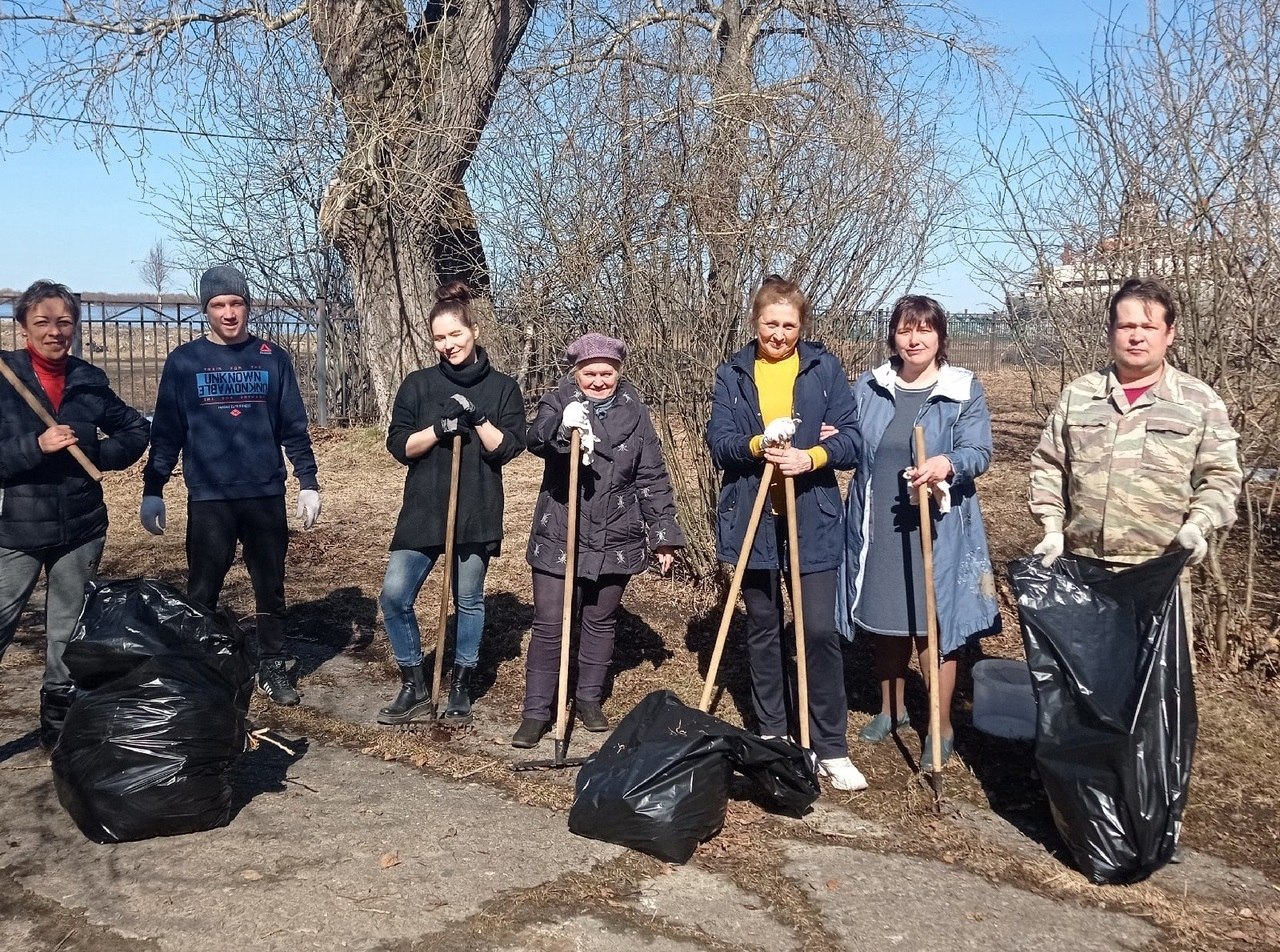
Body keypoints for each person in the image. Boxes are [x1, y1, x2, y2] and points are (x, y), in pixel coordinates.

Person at [706, 275, 867, 791]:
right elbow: (720, 443)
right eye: (771, 323)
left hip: (812, 514)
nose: (779, 334)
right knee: (764, 628)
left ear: (802, 327)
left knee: (818, 631)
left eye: (789, 325)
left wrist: (811, 455)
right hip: (752, 515)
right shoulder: (734, 371)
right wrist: (758, 445)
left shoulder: (822, 368)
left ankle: (831, 745)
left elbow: (853, 440)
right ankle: (774, 732)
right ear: (755, 322)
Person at [140, 265, 321, 707]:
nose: (228, 312)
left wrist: (307, 481)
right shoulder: (185, 362)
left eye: (236, 303)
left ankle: (272, 665)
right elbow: (167, 430)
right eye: (218, 304)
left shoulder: (272, 358)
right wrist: (154, 487)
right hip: (210, 496)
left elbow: (292, 426)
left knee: (270, 585)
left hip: (263, 493)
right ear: (206, 310)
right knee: (203, 587)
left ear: (247, 306)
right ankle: (199, 668)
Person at [838, 294, 1000, 768]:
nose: (914, 339)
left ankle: (940, 721)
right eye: (905, 330)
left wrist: (947, 463)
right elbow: (850, 441)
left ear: (940, 337)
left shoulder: (962, 389)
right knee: (886, 620)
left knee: (936, 627)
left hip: (939, 525)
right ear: (893, 335)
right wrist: (829, 438)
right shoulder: (870, 386)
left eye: (924, 330)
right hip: (882, 523)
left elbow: (980, 451)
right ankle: (892, 709)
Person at [513, 333, 684, 748]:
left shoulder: (636, 413)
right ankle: (537, 711)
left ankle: (588, 698)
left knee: (599, 620)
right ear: (577, 373)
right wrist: (562, 424)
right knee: (550, 624)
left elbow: (651, 476)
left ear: (618, 373)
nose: (598, 381)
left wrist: (662, 536)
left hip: (617, 532)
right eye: (590, 373)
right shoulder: (557, 402)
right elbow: (534, 439)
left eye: (606, 373)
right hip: (562, 528)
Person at [0, 280, 150, 749]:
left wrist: (100, 454)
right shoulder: (4, 378)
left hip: (81, 526)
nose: (54, 331)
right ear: (23, 326)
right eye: (42, 321)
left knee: (66, 628)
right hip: (14, 528)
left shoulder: (88, 379)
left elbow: (136, 429)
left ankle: (58, 720)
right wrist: (35, 446)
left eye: (64, 321)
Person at [376, 282, 525, 725]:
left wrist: (478, 419)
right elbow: (399, 445)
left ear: (474, 331)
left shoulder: (502, 388)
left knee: (469, 599)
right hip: (424, 506)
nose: (448, 345)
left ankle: (460, 683)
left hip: (476, 506)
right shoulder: (418, 384)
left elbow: (507, 448)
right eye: (439, 338)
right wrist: (440, 430)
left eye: (455, 335)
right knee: (394, 596)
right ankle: (414, 685)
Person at [1029, 277, 1242, 577]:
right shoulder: (1079, 395)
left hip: (1161, 570)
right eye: (1127, 327)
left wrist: (1198, 524)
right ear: (1110, 332)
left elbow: (1221, 476)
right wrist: (1051, 527)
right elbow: (1049, 465)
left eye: (1149, 327)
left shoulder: (1199, 401)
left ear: (1169, 334)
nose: (1136, 337)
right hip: (1084, 567)